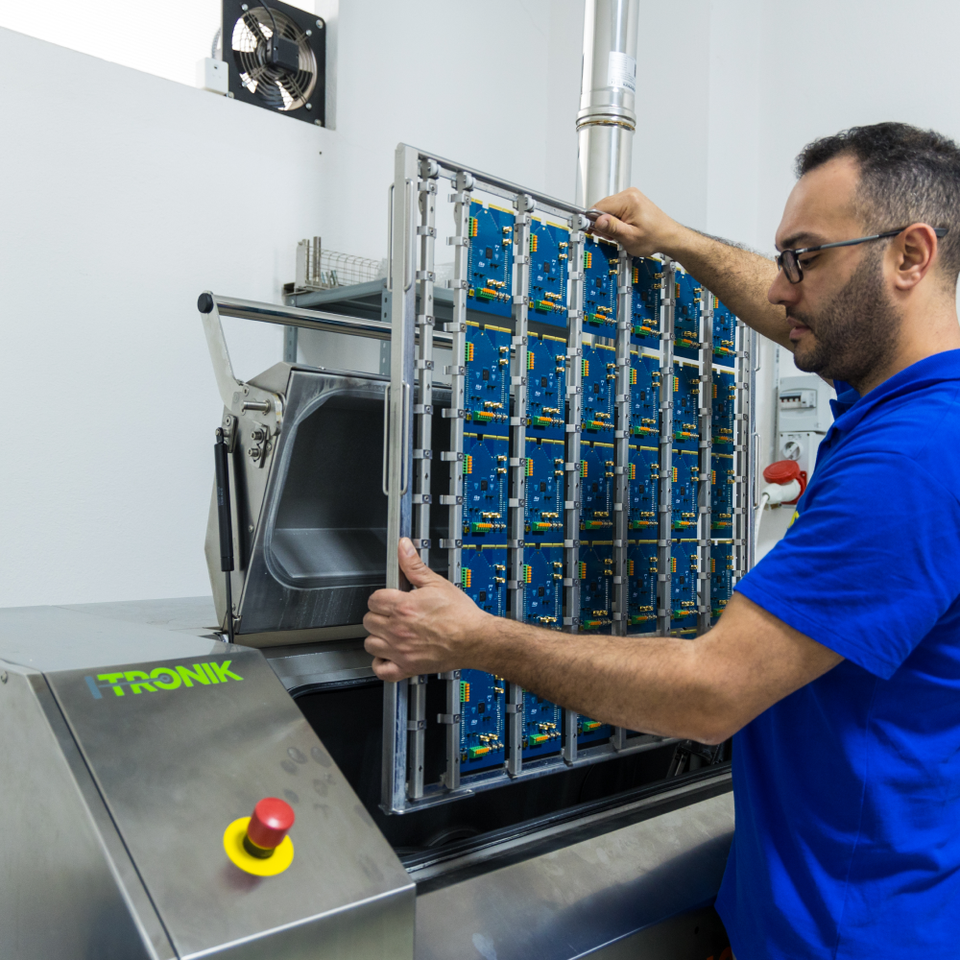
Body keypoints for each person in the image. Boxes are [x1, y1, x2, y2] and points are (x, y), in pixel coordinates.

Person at [363, 122, 960, 959]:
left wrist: (474, 639)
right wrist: (679, 242)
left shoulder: (911, 460)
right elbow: (799, 316)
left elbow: (710, 694)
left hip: (848, 933)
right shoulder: (915, 407)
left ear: (909, 256)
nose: (781, 289)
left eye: (802, 258)